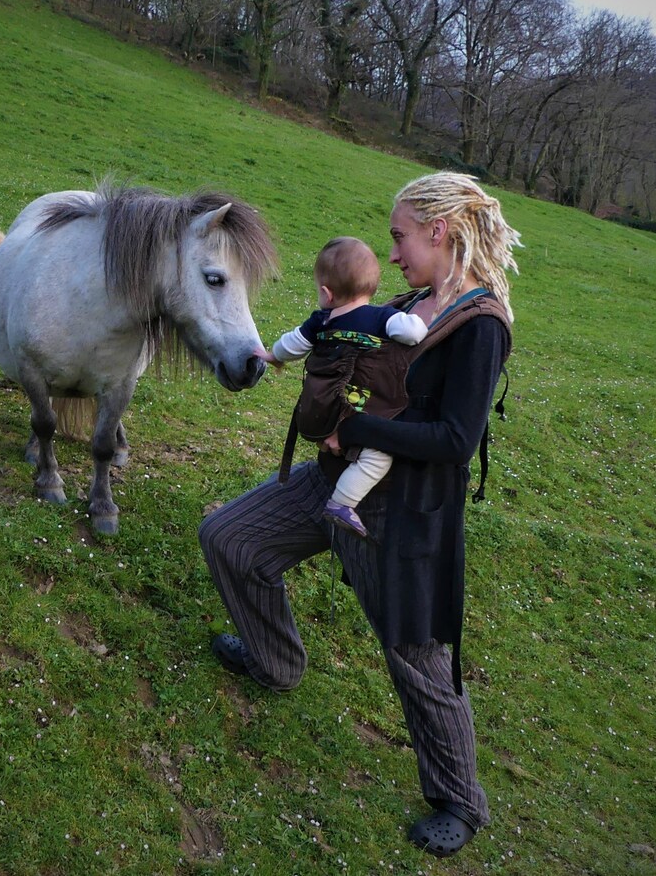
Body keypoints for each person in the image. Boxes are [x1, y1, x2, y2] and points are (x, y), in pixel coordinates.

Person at [199, 171, 520, 858]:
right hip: (334, 482)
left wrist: (361, 430)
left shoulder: (480, 325)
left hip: (401, 516)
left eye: (402, 235)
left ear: (441, 230)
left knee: (417, 658)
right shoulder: (409, 302)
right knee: (229, 537)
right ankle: (276, 659)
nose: (394, 252)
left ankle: (460, 800)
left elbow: (455, 441)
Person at [256, 236, 427, 538]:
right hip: (362, 408)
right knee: (378, 457)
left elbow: (292, 344)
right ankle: (343, 502)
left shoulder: (320, 321)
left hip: (325, 409)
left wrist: (272, 356)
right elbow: (414, 333)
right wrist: (421, 320)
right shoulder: (381, 317)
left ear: (326, 293)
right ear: (372, 287)